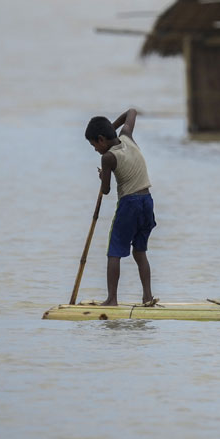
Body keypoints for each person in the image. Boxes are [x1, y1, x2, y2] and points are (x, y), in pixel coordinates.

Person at [84, 108, 157, 307]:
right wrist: (112, 130)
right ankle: (147, 297)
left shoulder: (108, 157)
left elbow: (106, 190)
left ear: (101, 139)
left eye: (94, 145)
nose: (95, 149)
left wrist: (102, 177)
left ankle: (112, 299)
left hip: (129, 204)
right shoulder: (127, 137)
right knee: (139, 252)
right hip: (147, 201)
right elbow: (131, 112)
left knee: (114, 252)